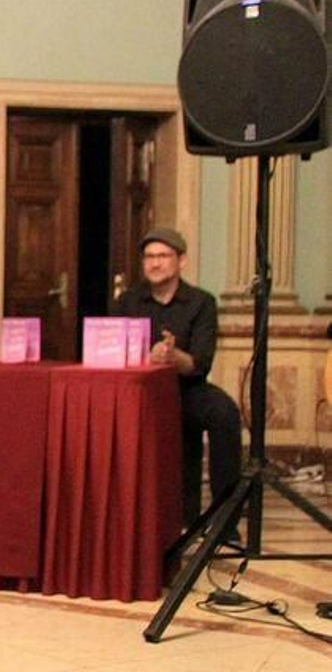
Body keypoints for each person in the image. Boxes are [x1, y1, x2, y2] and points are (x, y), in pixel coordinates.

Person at [111, 226, 241, 527]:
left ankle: (224, 520)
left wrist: (173, 356)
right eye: (149, 257)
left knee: (224, 413)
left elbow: (199, 363)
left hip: (186, 389)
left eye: (163, 256)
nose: (155, 263)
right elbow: (111, 348)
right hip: (140, 391)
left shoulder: (201, 302)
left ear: (181, 261)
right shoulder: (127, 302)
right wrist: (148, 358)